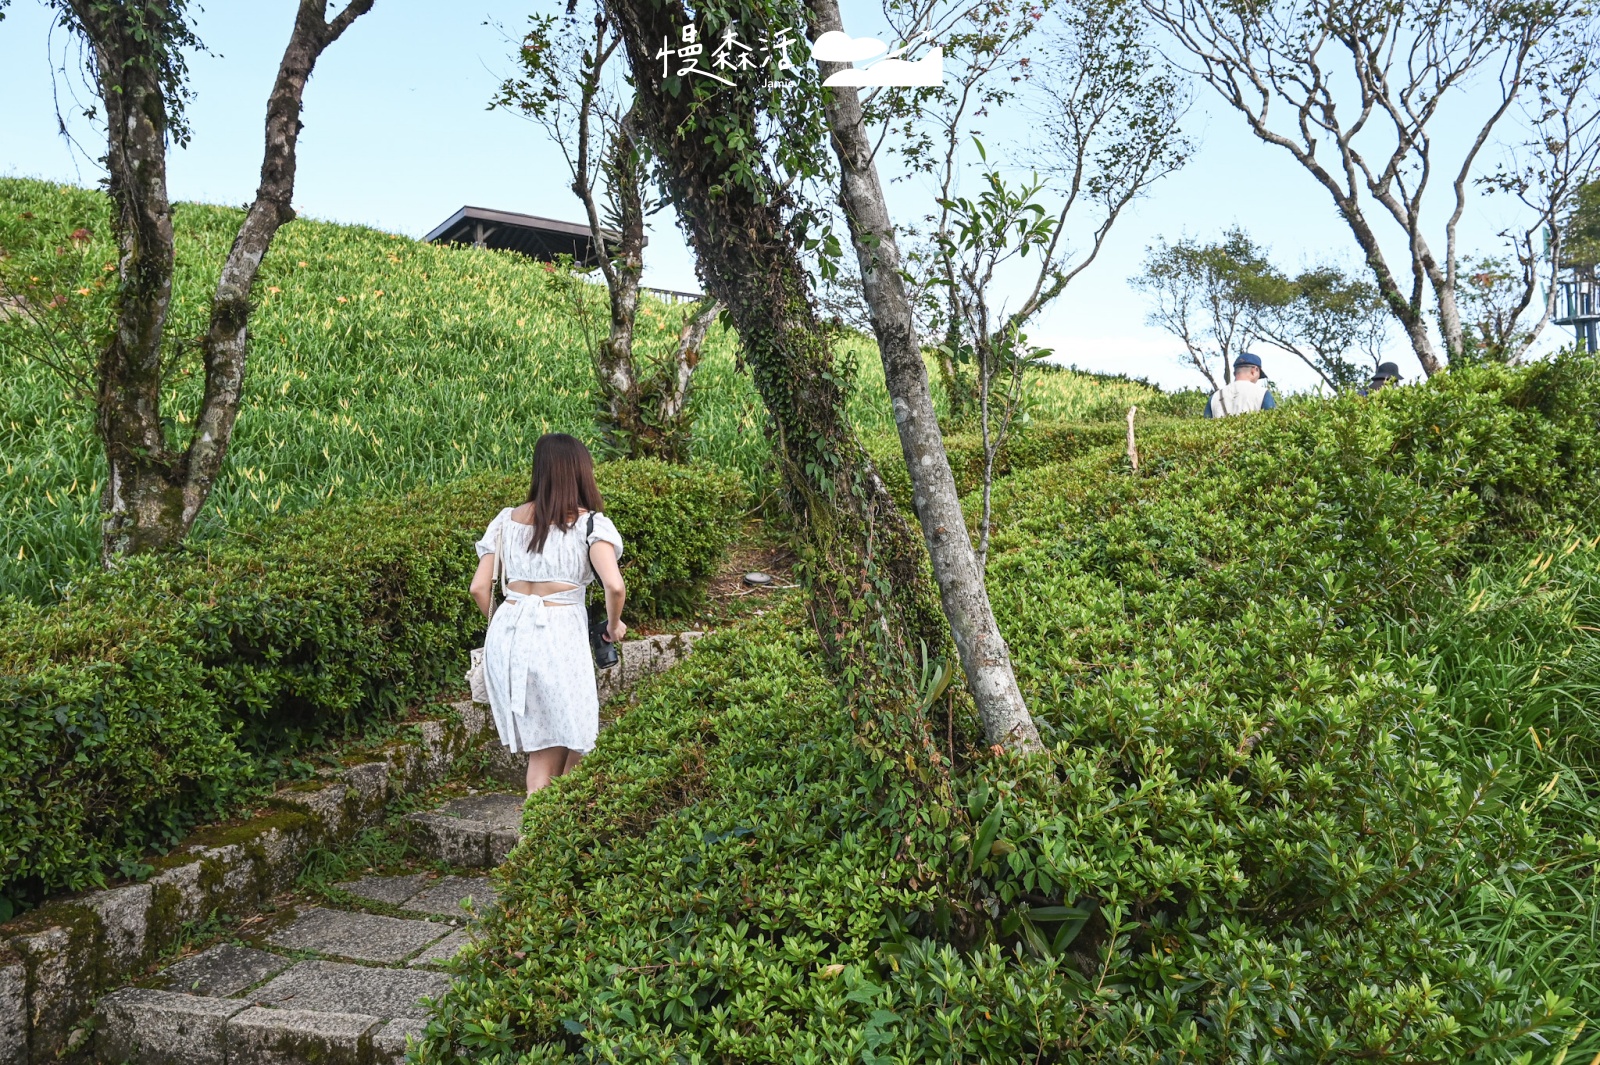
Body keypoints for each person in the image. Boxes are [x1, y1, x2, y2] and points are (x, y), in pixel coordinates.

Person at [470, 433, 626, 795]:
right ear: (580, 472)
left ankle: (554, 829)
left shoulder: (505, 521)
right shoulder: (591, 525)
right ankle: (535, 845)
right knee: (560, 748)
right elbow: (614, 586)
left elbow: (479, 588)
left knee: (563, 741)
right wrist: (615, 625)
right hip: (556, 636)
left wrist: (505, 629)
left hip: (508, 631)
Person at [1204, 352, 1277, 418]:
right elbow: (1272, 422)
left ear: (1234, 373)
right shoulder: (1262, 393)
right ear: (1254, 371)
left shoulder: (1215, 397)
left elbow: (1205, 428)